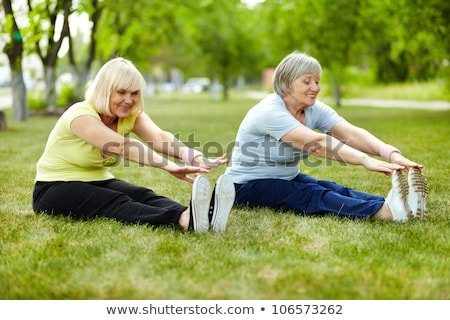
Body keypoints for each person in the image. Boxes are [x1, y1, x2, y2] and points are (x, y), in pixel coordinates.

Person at [32, 57, 235, 233]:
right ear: (105, 91)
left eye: (134, 93)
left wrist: (192, 155)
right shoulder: (80, 115)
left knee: (143, 195)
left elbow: (160, 137)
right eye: (121, 92)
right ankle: (182, 220)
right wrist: (167, 165)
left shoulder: (130, 116)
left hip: (96, 179)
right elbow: (122, 146)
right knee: (116, 202)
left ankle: (199, 214)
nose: (129, 100)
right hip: (54, 187)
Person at [225, 51, 428, 222]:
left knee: (330, 188)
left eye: (317, 81)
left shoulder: (313, 109)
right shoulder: (269, 111)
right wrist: (365, 160)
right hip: (244, 187)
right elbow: (318, 144)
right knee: (310, 194)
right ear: (286, 82)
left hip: (284, 177)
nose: (315, 87)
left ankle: (398, 205)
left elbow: (351, 133)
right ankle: (383, 212)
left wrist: (390, 154)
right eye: (307, 81)